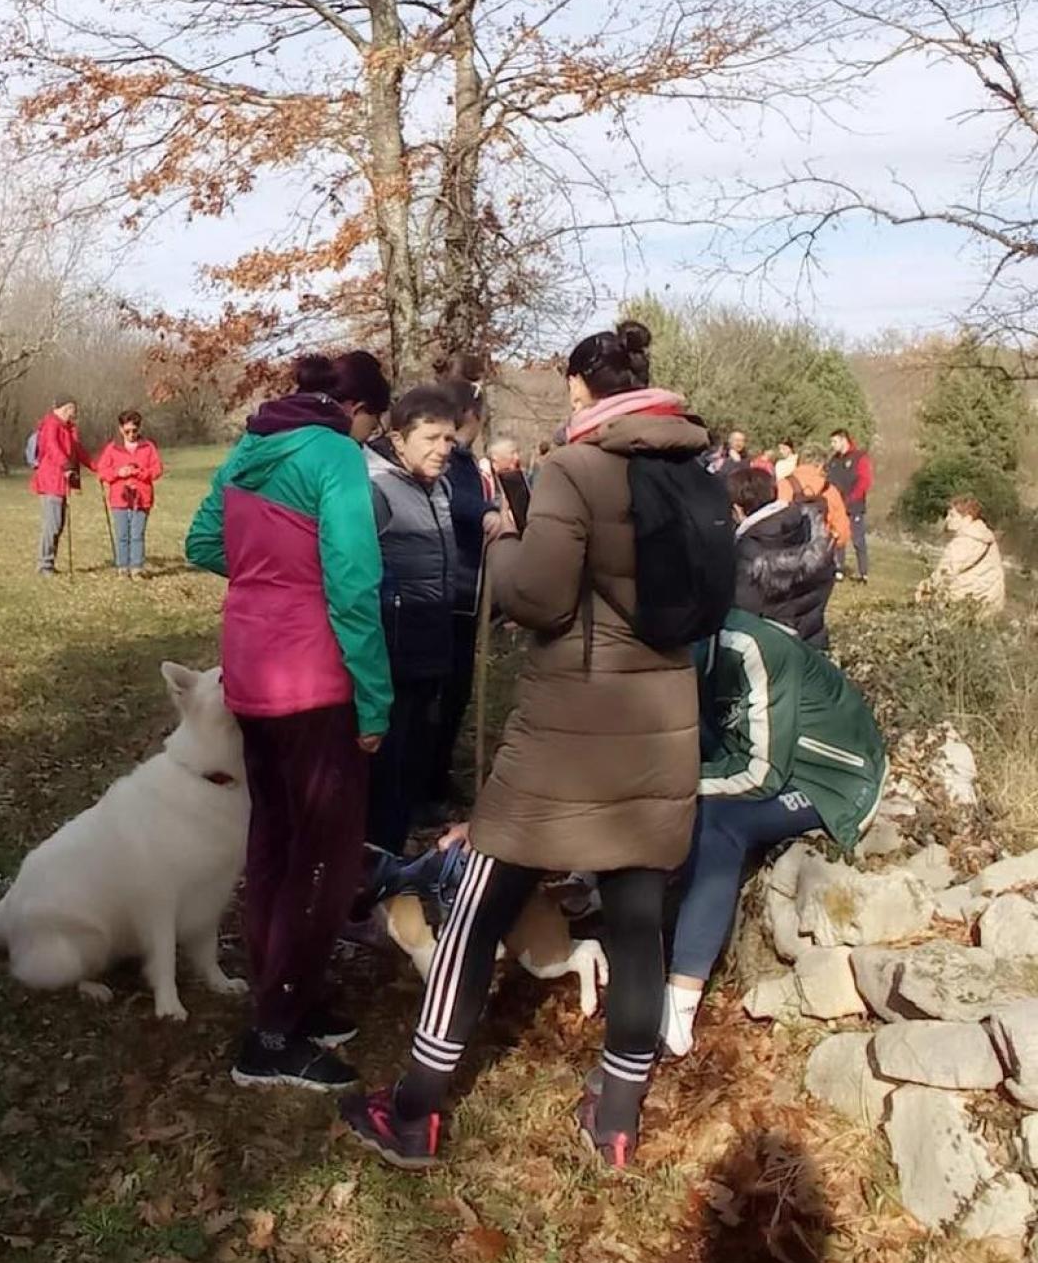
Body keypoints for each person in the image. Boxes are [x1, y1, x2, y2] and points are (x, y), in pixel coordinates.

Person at [341, 321, 709, 1171]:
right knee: (637, 918)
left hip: (568, 735)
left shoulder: (580, 468)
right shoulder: (689, 470)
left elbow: (540, 599)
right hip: (661, 724)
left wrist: (504, 538)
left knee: (475, 903)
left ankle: (414, 1112)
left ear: (584, 391)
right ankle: (616, 1120)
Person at [185, 351, 393, 1092]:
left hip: (250, 672)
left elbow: (204, 541)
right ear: (360, 412)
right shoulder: (337, 457)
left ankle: (286, 994)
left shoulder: (251, 445)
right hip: (315, 681)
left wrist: (266, 581)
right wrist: (375, 700)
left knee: (273, 837)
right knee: (326, 861)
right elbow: (354, 583)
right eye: (374, 428)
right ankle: (272, 1034)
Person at [660, 608, 886, 1058]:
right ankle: (599, 890)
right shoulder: (686, 645)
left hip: (827, 779)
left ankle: (680, 1006)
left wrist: (668, 789)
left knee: (717, 824)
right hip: (757, 754)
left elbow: (763, 774)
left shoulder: (752, 647)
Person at [365, 385, 460, 854]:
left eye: (450, 439)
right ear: (399, 440)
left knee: (413, 761)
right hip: (390, 652)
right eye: (431, 438)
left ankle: (392, 856)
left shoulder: (438, 485)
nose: (443, 449)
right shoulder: (374, 488)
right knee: (386, 766)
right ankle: (371, 868)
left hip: (431, 643)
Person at [427, 379, 499, 819]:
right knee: (441, 694)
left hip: (465, 590)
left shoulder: (465, 459)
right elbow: (451, 500)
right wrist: (487, 513)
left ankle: (438, 774)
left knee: (454, 692)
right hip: (448, 589)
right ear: (469, 416)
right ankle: (427, 784)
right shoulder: (446, 459)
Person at [728, 465, 836, 651]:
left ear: (737, 508)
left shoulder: (747, 552)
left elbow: (741, 613)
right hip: (812, 642)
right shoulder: (812, 530)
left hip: (770, 653)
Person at [97, 409, 164, 578]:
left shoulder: (148, 447)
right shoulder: (112, 448)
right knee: (122, 534)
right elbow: (102, 471)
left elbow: (157, 470)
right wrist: (118, 473)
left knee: (137, 534)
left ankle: (136, 568)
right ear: (121, 429)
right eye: (127, 431)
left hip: (142, 498)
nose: (131, 434)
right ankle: (122, 567)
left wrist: (139, 472)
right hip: (119, 498)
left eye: (134, 430)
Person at [31, 396, 93, 575]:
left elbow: (79, 451)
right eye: (72, 410)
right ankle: (44, 564)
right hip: (50, 480)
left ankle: (49, 563)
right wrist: (66, 465)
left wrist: (97, 467)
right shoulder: (51, 425)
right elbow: (52, 447)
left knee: (58, 524)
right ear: (64, 408)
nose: (73, 414)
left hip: (62, 482)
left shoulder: (68, 429)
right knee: (52, 524)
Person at [917, 495, 1006, 615]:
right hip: (992, 603)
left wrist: (922, 589)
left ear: (967, 518)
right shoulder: (987, 538)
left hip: (966, 603)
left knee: (925, 593)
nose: (947, 519)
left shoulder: (962, 543)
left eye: (952, 515)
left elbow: (944, 575)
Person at [779, 445, 852, 563]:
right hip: (819, 558)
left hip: (787, 557)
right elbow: (842, 531)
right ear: (821, 465)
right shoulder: (830, 490)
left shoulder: (783, 485)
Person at [827, 429, 873, 582]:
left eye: (834, 442)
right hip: (836, 506)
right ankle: (838, 570)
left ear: (843, 440)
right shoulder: (833, 460)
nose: (832, 445)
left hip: (854, 506)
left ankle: (863, 573)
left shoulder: (859, 457)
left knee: (858, 540)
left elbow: (864, 481)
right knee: (837, 538)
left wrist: (851, 499)